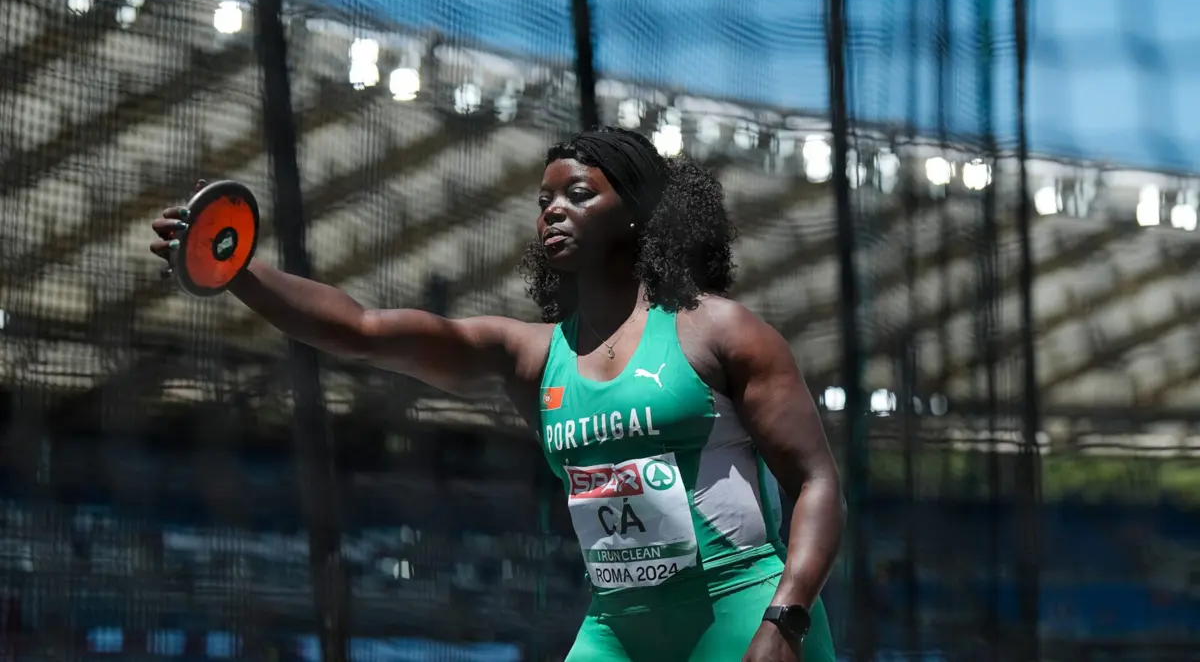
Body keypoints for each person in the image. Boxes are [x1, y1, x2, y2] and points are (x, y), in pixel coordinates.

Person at [151, 127, 844, 662]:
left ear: (636, 214)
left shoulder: (718, 330)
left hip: (741, 615)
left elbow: (816, 482)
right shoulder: (530, 355)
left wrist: (787, 619)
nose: (553, 211)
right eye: (544, 199)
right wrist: (235, 268)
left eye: (579, 194)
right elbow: (360, 330)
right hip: (618, 629)